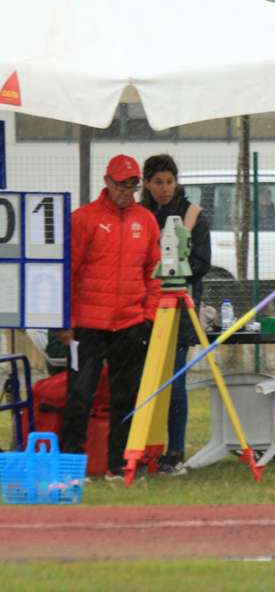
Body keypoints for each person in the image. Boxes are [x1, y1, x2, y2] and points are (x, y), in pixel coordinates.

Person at [60, 154, 161, 480]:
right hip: (88, 326)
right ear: (107, 182)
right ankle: (72, 465)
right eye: (120, 184)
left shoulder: (145, 220)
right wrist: (67, 320)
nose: (125, 191)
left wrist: (148, 316)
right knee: (79, 395)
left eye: (131, 185)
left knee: (126, 398)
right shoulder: (83, 219)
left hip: (130, 325)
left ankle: (119, 465)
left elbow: (154, 273)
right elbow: (68, 273)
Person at [141, 154, 211, 475]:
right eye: (158, 182)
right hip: (143, 308)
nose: (165, 188)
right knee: (142, 381)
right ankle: (142, 447)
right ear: (147, 183)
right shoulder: (140, 215)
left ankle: (175, 449)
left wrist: (172, 273)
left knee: (174, 381)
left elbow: (201, 263)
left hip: (179, 310)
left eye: (170, 181)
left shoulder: (192, 215)